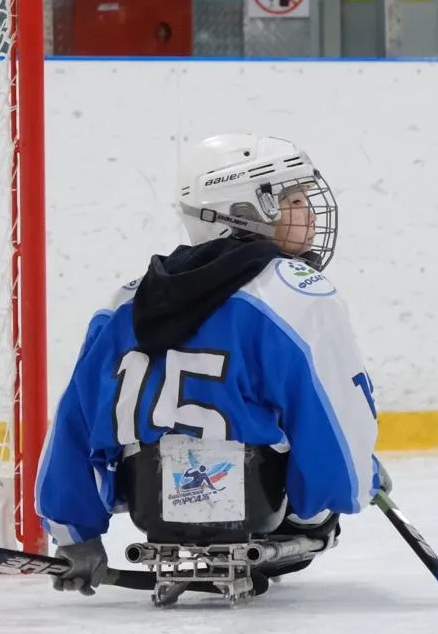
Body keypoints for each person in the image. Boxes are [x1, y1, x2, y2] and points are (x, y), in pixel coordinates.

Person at [36, 133, 387, 596]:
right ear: (244, 209)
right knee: (321, 477)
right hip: (261, 504)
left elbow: (74, 417)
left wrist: (73, 533)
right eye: (295, 201)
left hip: (150, 504)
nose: (311, 214)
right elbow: (337, 411)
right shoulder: (296, 293)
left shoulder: (126, 299)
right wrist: (358, 480)